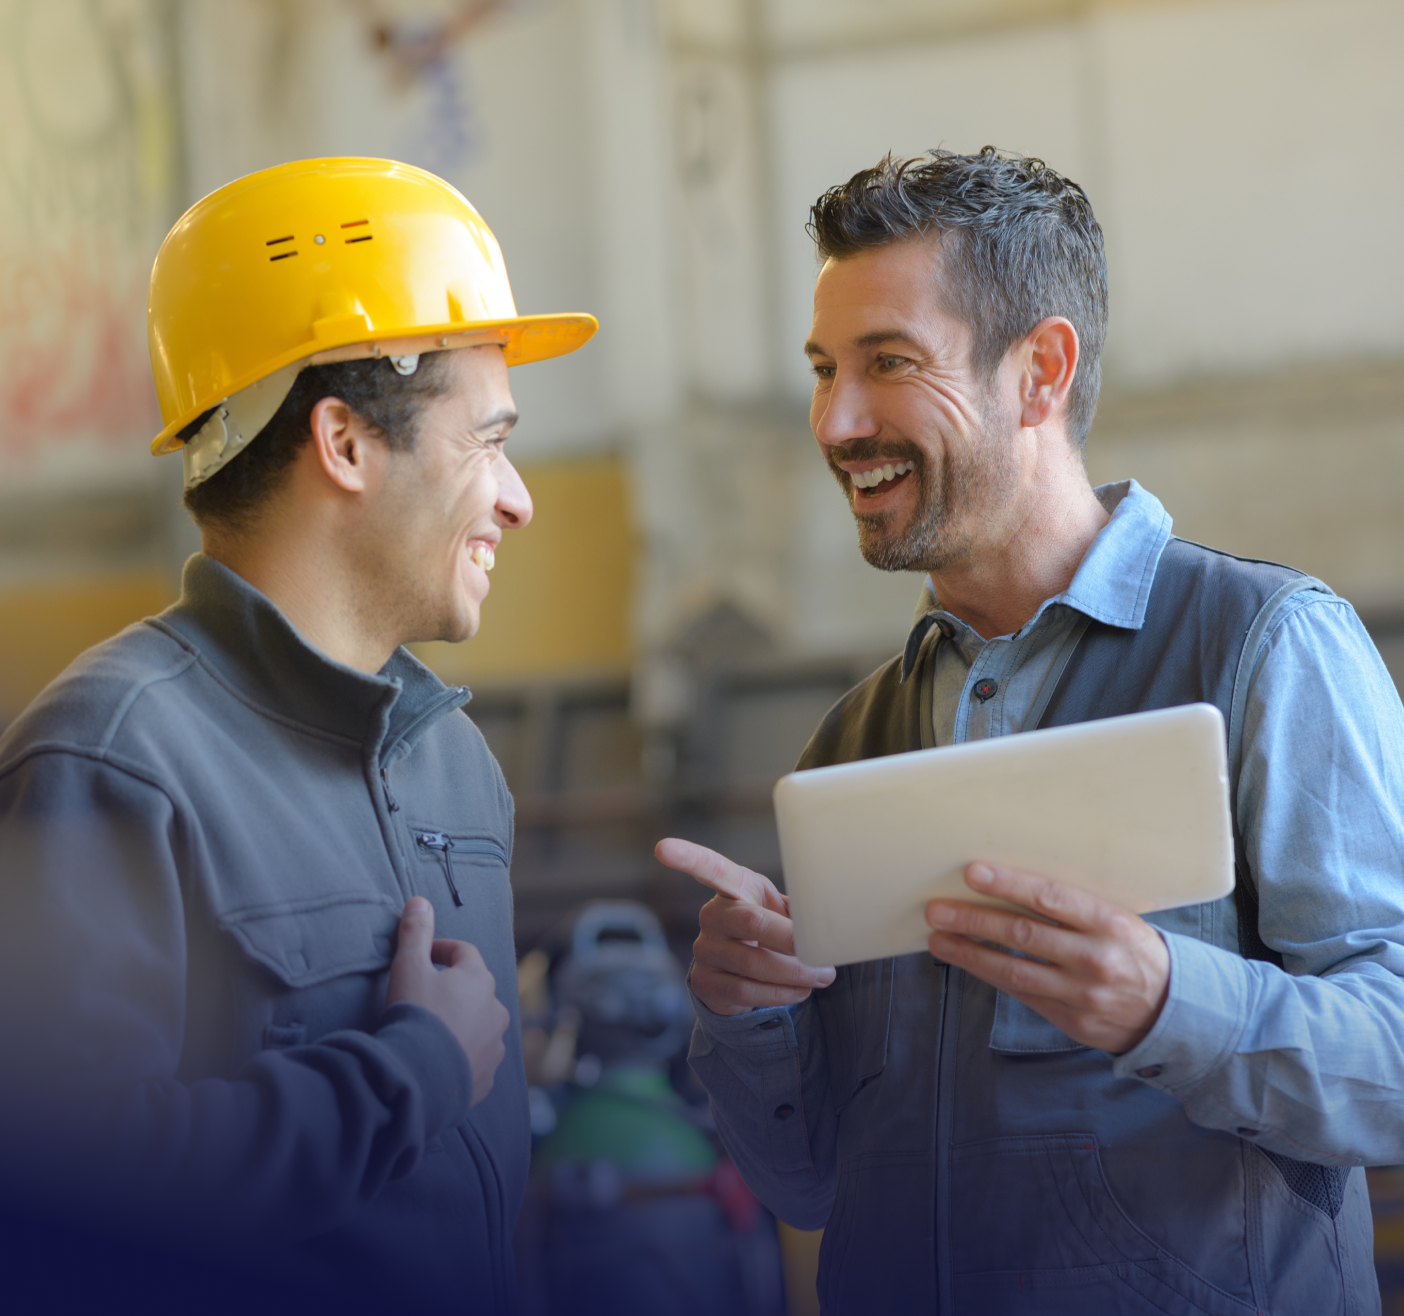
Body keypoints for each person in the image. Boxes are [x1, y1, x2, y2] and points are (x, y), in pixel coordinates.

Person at [655, 147, 1404, 1314]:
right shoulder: (854, 742)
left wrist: (1169, 1002)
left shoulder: (1264, 647)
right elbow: (802, 1180)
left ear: (1040, 369)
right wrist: (748, 1018)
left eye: (889, 363)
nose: (838, 420)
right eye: (822, 370)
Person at [0, 157, 595, 1308]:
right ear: (346, 444)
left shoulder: (455, 765)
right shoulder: (110, 760)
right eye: (488, 440)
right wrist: (408, 1073)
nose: (518, 498)